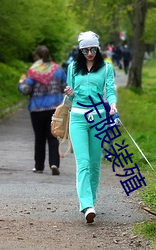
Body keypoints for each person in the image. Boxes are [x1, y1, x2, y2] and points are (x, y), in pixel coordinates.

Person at [64, 31, 117, 223]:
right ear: (80, 50)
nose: (89, 53)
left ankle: (91, 201)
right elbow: (70, 97)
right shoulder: (72, 68)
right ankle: (86, 205)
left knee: (95, 163)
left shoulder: (106, 68)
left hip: (99, 118)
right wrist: (69, 92)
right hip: (78, 117)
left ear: (98, 48)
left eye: (93, 49)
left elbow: (110, 90)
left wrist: (112, 104)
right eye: (85, 50)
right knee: (83, 162)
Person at [18, 45, 67, 175]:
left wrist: (21, 83)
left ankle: (39, 166)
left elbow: (26, 90)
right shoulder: (58, 70)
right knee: (53, 137)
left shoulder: (33, 71)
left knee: (39, 138)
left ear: (37, 57)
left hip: (37, 109)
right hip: (54, 109)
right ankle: (54, 163)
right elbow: (65, 87)